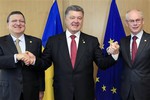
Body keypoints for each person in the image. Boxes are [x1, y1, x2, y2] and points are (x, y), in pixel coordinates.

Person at [25, 5, 119, 100]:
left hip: (85, 93)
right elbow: (45, 63)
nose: (76, 21)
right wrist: (34, 60)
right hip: (62, 92)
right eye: (72, 17)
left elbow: (102, 63)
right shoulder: (53, 41)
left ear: (82, 20)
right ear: (66, 20)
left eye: (79, 18)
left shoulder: (92, 41)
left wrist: (114, 54)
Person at [0, 11, 45, 100]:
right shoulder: (1, 42)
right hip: (8, 91)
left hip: (31, 90)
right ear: (7, 24)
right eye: (14, 21)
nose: (18, 23)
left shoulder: (36, 42)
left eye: (21, 21)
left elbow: (40, 68)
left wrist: (41, 89)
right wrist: (16, 57)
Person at [120, 9, 150, 100]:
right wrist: (112, 52)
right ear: (127, 23)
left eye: (138, 20)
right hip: (126, 91)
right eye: (132, 21)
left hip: (146, 91)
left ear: (143, 21)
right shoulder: (123, 41)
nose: (135, 23)